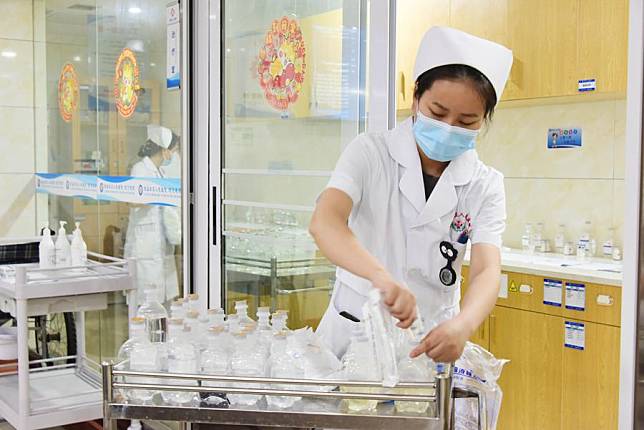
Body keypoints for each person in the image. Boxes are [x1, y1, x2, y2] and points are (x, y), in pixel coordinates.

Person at [310, 27, 513, 363]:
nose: (449, 126)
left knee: (420, 414)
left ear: (483, 122)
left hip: (428, 339)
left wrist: (463, 325)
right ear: (416, 97)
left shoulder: (484, 184)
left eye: (466, 120)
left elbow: (486, 270)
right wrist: (380, 277)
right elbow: (325, 221)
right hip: (354, 330)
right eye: (437, 112)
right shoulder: (371, 152)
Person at [124, 124, 181, 303]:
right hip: (145, 242)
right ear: (164, 150)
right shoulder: (140, 169)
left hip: (160, 242)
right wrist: (156, 197)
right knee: (147, 299)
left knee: (164, 298)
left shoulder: (160, 172)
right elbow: (132, 201)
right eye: (174, 150)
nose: (174, 154)